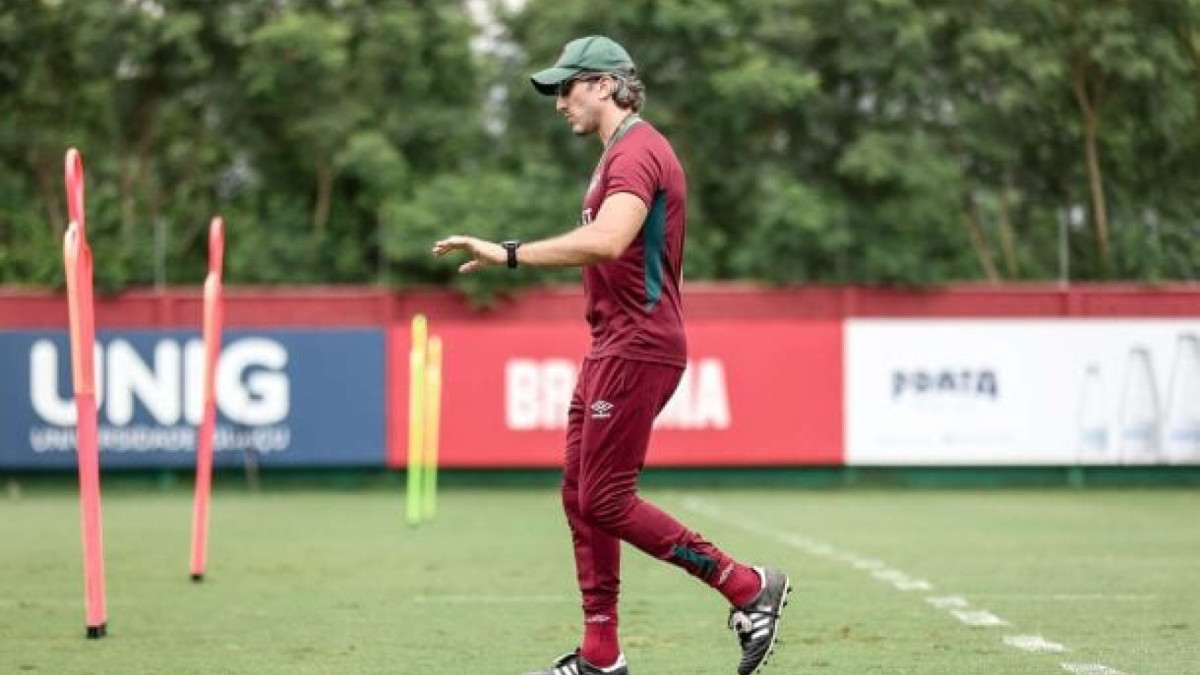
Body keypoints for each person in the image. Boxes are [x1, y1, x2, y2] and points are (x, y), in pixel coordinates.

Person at [431, 35, 791, 675]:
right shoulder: (617, 156)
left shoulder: (636, 153)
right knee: (580, 494)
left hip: (639, 345)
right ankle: (601, 655)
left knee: (604, 498)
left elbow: (608, 239)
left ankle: (745, 585)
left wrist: (506, 253)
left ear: (604, 84)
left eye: (566, 87)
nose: (559, 102)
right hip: (616, 344)